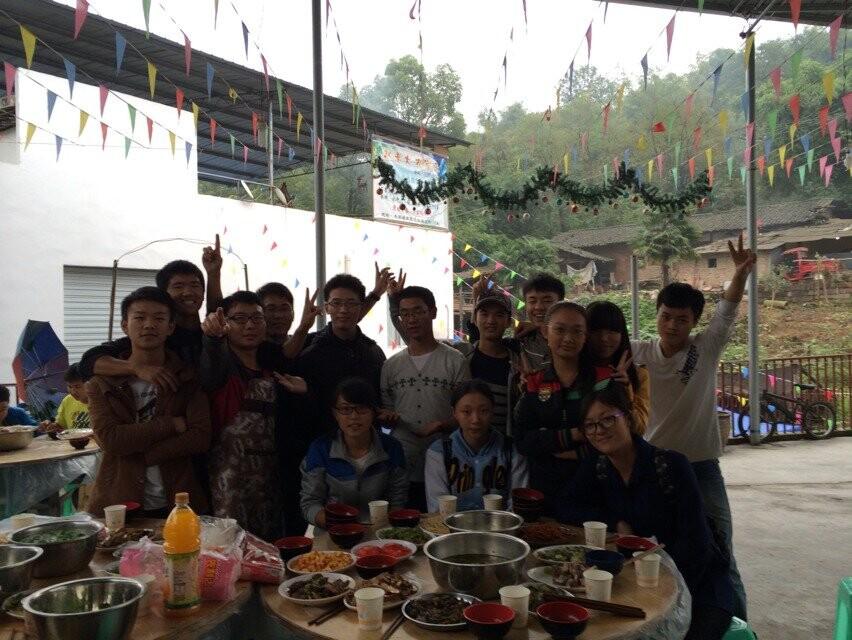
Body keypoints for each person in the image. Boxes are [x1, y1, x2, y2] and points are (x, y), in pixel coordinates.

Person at [630, 233, 755, 621]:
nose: (671, 325)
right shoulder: (637, 352)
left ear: (694, 322)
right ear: (657, 315)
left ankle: (739, 627)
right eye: (666, 316)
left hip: (702, 468)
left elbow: (728, 310)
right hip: (654, 470)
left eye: (681, 319)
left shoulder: (706, 348)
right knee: (655, 553)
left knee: (722, 552)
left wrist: (741, 274)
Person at [558, 384, 735, 640]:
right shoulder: (598, 466)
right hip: (638, 583)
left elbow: (697, 544)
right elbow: (566, 505)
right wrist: (615, 522)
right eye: (591, 425)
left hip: (699, 586)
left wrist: (665, 586)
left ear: (628, 419)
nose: (600, 430)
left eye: (608, 419)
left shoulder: (671, 465)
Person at [86, 287, 211, 518]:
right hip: (119, 504)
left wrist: (147, 455)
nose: (149, 325)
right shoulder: (101, 383)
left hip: (181, 501)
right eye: (140, 317)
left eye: (159, 318)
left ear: (171, 327)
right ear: (125, 326)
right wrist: (171, 425)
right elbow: (111, 439)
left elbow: (200, 437)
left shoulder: (187, 377)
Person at [200, 291, 307, 541]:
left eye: (257, 318)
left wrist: (304, 392)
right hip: (228, 475)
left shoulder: (272, 366)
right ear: (226, 324)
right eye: (239, 319)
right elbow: (210, 367)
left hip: (272, 474)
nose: (250, 325)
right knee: (231, 545)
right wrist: (213, 339)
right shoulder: (221, 365)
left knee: (272, 544)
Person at [513, 302, 609, 515]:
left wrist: (578, 453)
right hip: (543, 494)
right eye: (560, 330)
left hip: (595, 492)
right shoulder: (534, 382)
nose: (568, 338)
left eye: (577, 331)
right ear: (546, 333)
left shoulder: (604, 380)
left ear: (585, 336)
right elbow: (523, 440)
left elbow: (616, 437)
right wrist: (573, 435)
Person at [381, 286, 469, 511]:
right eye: (405, 314)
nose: (411, 319)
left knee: (443, 519)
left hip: (446, 460)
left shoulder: (455, 361)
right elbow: (386, 411)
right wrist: (387, 418)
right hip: (402, 462)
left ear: (433, 312)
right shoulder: (391, 366)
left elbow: (467, 412)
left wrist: (442, 425)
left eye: (418, 311)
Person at [78, 257, 213, 384]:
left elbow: (217, 310)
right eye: (178, 286)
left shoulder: (211, 334)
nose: (188, 292)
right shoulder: (156, 336)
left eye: (195, 285)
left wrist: (214, 274)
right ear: (164, 294)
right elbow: (88, 361)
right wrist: (136, 368)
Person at [300, 377, 408, 527]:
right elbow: (310, 503)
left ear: (374, 412)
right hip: (332, 530)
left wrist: (386, 530)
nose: (354, 416)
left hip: (380, 529)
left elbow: (397, 500)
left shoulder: (391, 447)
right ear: (335, 413)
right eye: (345, 409)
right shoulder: (320, 449)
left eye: (362, 408)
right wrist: (334, 522)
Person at [296, 274, 387, 437]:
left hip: (368, 441)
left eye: (351, 303)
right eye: (336, 303)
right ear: (327, 307)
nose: (343, 310)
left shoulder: (374, 352)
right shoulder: (310, 350)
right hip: (322, 440)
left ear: (361, 307)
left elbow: (380, 401)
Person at [425, 380, 528, 513]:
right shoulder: (439, 452)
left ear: (493, 411)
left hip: (501, 524)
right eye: (466, 412)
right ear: (454, 412)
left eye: (484, 411)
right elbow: (438, 509)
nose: (475, 420)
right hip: (451, 525)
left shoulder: (511, 450)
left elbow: (517, 505)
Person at [452, 294, 522, 435]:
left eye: (499, 315)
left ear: (509, 322)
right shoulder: (460, 356)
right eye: (484, 314)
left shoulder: (519, 364)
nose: (491, 321)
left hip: (504, 444)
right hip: (465, 444)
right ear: (475, 318)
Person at [586, 301, 650, 433]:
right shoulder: (573, 371)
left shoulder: (638, 374)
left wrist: (625, 391)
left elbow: (639, 428)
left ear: (622, 335)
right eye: (596, 331)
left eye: (612, 331)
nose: (604, 338)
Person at [40, 364, 90, 435]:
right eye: (70, 387)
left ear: (90, 384)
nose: (73, 392)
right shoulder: (68, 400)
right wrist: (51, 426)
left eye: (77, 387)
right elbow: (60, 426)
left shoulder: (102, 403)